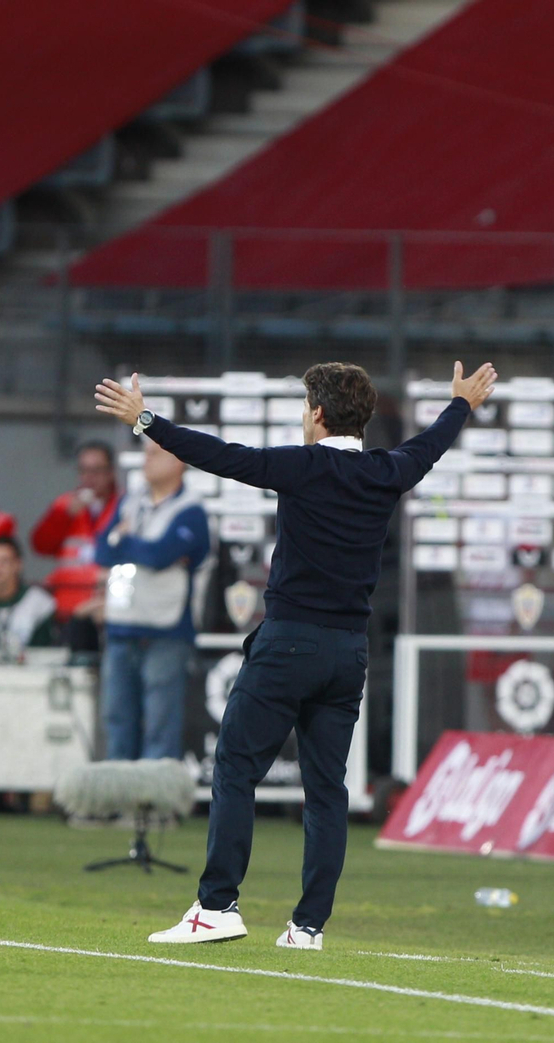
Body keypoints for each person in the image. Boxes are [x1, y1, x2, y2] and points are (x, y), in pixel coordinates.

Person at [96, 357, 498, 950]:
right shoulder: (388, 470)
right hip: (348, 652)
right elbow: (429, 445)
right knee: (327, 788)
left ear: (316, 413)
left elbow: (221, 455)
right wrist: (461, 403)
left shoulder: (303, 466)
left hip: (289, 643)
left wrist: (146, 419)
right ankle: (308, 926)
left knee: (235, 766)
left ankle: (217, 906)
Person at [94, 440, 210, 761]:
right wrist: (133, 546)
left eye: (155, 454)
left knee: (161, 725)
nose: (146, 460)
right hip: (121, 627)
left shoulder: (191, 511)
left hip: (166, 630)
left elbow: (161, 555)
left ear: (178, 463)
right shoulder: (130, 501)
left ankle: (154, 807)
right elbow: (101, 551)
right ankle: (119, 799)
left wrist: (124, 539)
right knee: (117, 721)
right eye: (145, 453)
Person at [31, 438, 118, 652]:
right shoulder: (64, 505)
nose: (89, 478)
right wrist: (64, 516)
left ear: (111, 472)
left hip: (110, 611)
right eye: (84, 470)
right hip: (68, 612)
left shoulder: (124, 506)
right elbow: (40, 545)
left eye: (97, 470)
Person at [0, 535, 56, 669]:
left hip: (24, 683)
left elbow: (44, 655)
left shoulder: (39, 603)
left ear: (18, 565)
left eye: (4, 561)